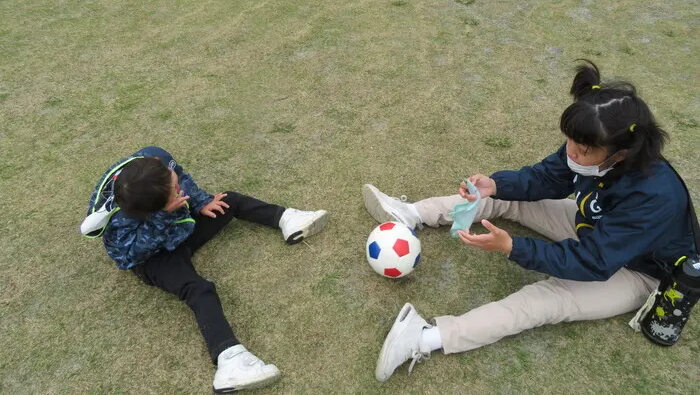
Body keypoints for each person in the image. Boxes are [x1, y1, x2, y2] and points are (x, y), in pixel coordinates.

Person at [362, 61, 695, 382]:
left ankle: (423, 337)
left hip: (636, 271)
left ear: (620, 154)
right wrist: (497, 185)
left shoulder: (655, 197)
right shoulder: (588, 144)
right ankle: (411, 214)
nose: (571, 153)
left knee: (542, 301)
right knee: (502, 197)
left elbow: (593, 262)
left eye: (582, 149)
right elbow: (546, 177)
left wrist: (513, 247)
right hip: (595, 229)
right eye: (570, 142)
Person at [80, 146, 329, 393]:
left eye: (174, 182)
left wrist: (200, 202)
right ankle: (229, 360)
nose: (179, 188)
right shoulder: (118, 222)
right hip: (152, 257)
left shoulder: (155, 162)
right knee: (198, 289)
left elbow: (180, 177)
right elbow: (128, 257)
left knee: (227, 201)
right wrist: (162, 218)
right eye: (175, 192)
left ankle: (287, 219)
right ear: (154, 209)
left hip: (179, 223)